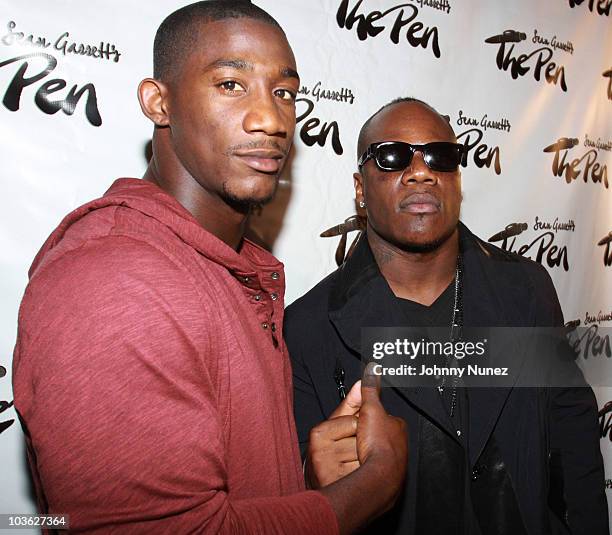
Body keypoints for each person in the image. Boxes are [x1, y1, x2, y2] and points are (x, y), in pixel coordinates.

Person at [12, 3, 407, 533]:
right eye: (230, 84)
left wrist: (305, 487)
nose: (271, 118)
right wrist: (373, 486)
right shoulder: (115, 283)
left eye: (284, 92)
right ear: (159, 102)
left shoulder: (222, 267)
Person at [284, 97, 609, 535]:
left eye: (441, 157)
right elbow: (301, 485)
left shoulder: (525, 290)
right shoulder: (308, 327)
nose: (421, 172)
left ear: (457, 182)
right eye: (393, 156)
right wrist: (312, 479)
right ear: (360, 189)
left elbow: (571, 438)